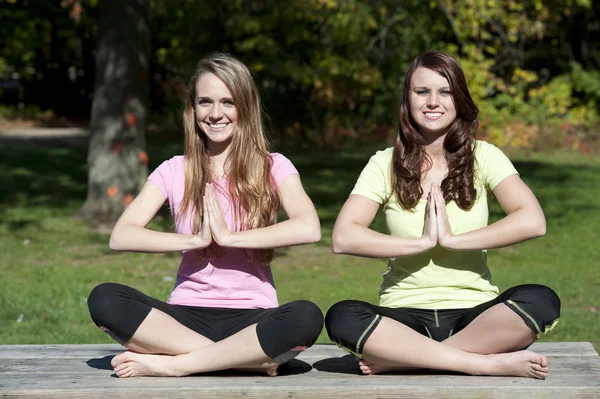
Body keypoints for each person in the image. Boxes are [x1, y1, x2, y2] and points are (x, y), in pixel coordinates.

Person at [325, 50, 560, 380]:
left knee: (541, 300)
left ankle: (410, 358)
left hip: (477, 315)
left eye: (445, 92)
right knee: (342, 317)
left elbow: (532, 220)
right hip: (403, 315)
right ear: (408, 99)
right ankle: (479, 362)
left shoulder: (486, 156)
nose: (432, 102)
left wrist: (452, 240)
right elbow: (343, 236)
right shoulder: (383, 163)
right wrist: (422, 243)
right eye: (422, 92)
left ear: (459, 99)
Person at [87, 52, 324, 378]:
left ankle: (178, 364)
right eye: (205, 102)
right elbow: (122, 234)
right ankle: (243, 359)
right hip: (184, 317)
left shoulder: (274, 166)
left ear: (245, 106)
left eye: (228, 102)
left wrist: (229, 238)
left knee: (306, 317)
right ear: (193, 108)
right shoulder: (174, 170)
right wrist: (195, 239)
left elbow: (309, 227)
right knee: (105, 298)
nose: (215, 114)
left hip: (253, 317)